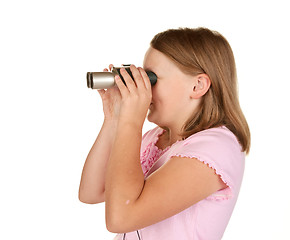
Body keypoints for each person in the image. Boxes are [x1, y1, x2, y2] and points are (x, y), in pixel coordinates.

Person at [78, 27, 251, 240]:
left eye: (152, 79)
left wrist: (130, 122)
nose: (145, 90)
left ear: (198, 85)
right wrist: (114, 119)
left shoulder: (216, 148)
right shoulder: (156, 138)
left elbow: (120, 218)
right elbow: (91, 191)